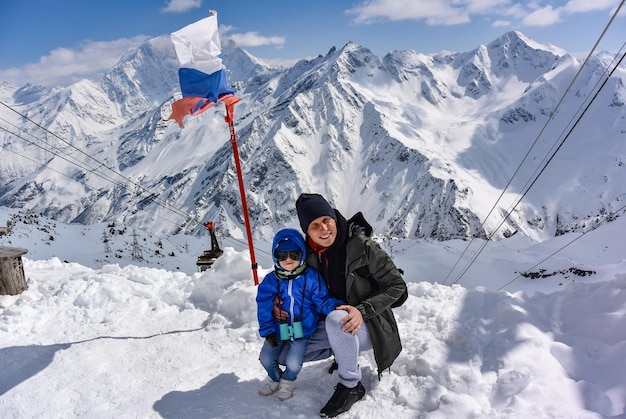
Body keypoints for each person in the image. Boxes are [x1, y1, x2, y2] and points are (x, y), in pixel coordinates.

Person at [274, 193, 407, 417]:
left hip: (371, 324)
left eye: (326, 220)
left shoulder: (363, 247)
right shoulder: (307, 255)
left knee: (338, 319)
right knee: (282, 353)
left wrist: (362, 310)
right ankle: (344, 352)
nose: (324, 228)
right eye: (315, 225)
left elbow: (398, 287)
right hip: (333, 325)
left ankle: (351, 385)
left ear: (334, 217)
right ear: (307, 231)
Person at [256, 227, 341, 401]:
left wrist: (338, 308)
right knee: (265, 358)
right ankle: (275, 378)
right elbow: (263, 305)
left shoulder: (311, 277)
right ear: (275, 256)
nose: (288, 260)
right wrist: (268, 330)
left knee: (293, 362)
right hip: (279, 329)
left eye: (294, 254)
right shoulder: (271, 280)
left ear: (302, 254)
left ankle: (288, 381)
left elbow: (321, 300)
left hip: (303, 328)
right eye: (282, 255)